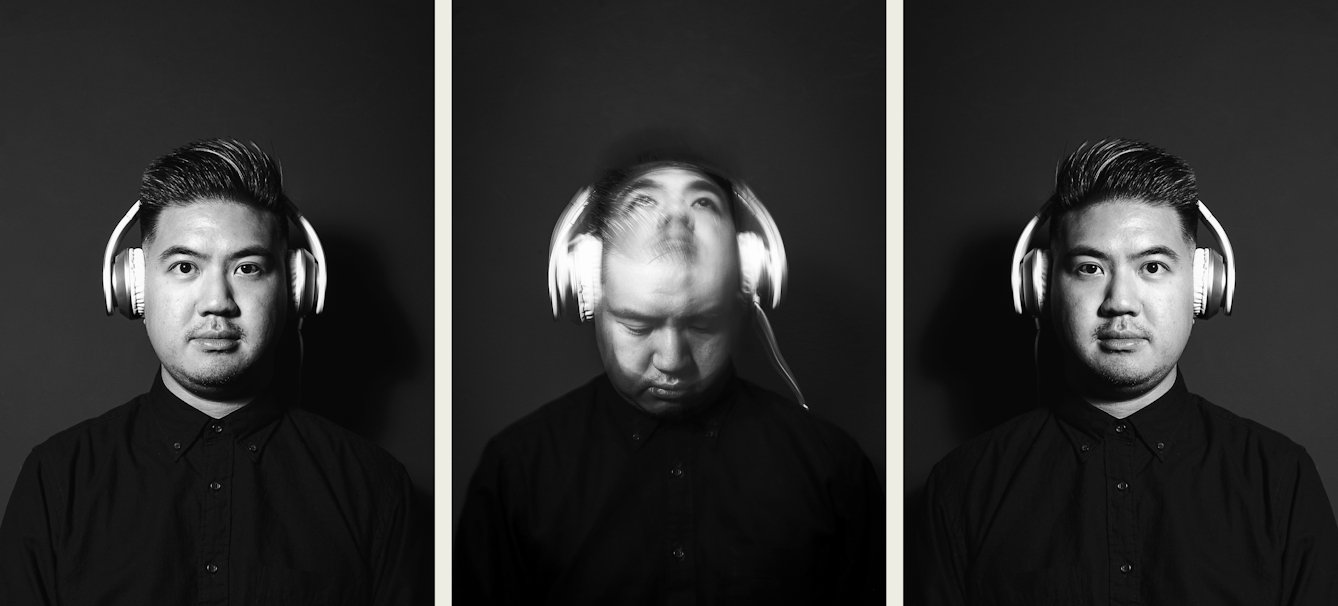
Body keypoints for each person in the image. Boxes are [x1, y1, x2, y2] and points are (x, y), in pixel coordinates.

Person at [0, 139, 421, 604]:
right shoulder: (58, 478)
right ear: (134, 286)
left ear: (295, 289)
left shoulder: (375, 488)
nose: (217, 301)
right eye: (185, 266)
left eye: (247, 267)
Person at [919, 138, 1338, 603]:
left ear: (1204, 285)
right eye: (1089, 268)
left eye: (1153, 266)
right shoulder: (962, 487)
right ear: (1041, 288)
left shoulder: (1279, 477)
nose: (1119, 301)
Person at [454, 158, 884, 605]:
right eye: (638, 327)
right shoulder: (518, 472)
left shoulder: (833, 469)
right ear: (588, 288)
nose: (672, 362)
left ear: (745, 286)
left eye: (702, 327)